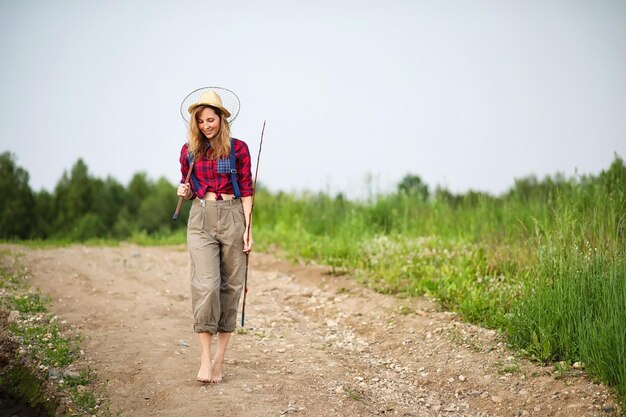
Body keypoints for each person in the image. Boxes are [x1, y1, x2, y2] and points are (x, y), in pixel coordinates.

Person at [176, 90, 253, 383]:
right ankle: (204, 359)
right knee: (206, 285)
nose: (207, 125)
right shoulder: (189, 151)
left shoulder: (239, 149)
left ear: (222, 119)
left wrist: (248, 229)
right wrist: (183, 190)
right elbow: (188, 186)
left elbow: (246, 191)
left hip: (233, 215)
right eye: (201, 121)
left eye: (211, 119)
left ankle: (220, 359)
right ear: (195, 123)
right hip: (201, 216)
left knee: (231, 287)